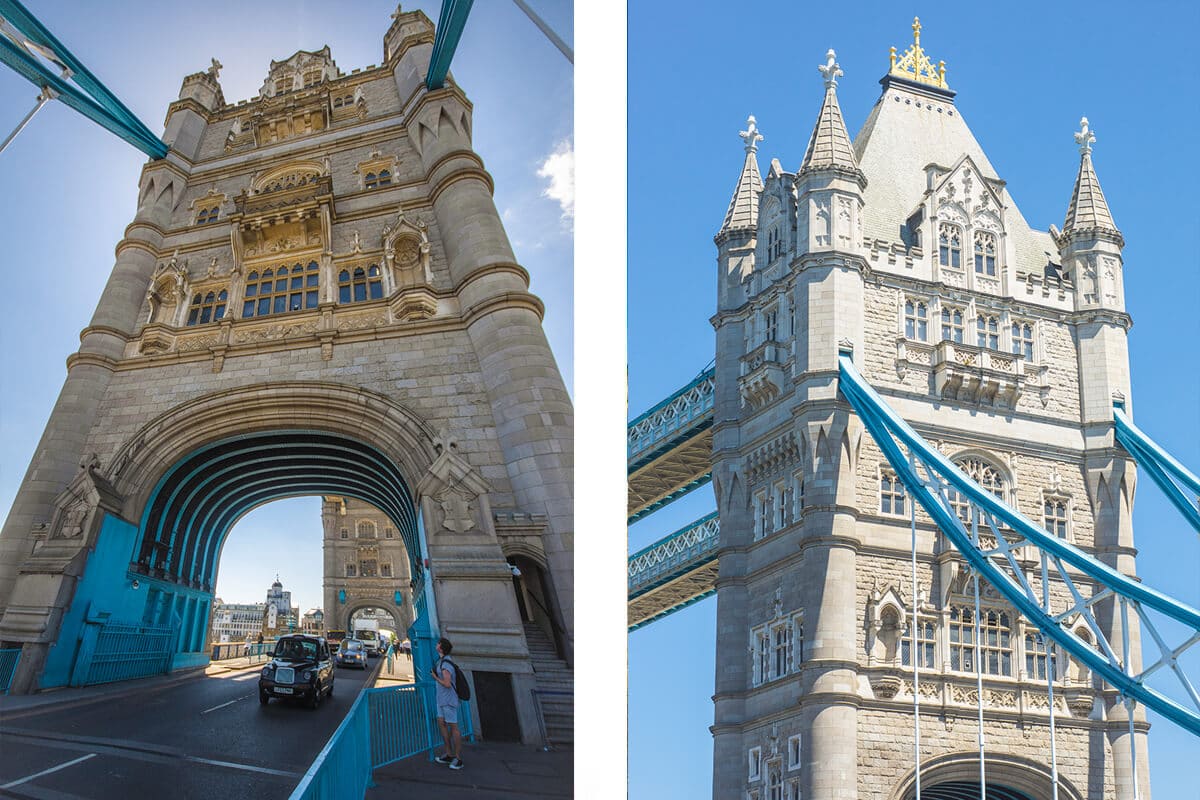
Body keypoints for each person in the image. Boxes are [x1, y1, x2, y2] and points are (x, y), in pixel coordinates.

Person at [431, 637, 464, 770]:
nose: (436, 644)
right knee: (442, 723)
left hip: (448, 700)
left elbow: (447, 683)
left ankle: (458, 758)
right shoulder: (441, 661)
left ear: (441, 647)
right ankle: (449, 754)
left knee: (454, 727)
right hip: (441, 699)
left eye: (438, 643)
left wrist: (434, 677)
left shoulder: (446, 664)